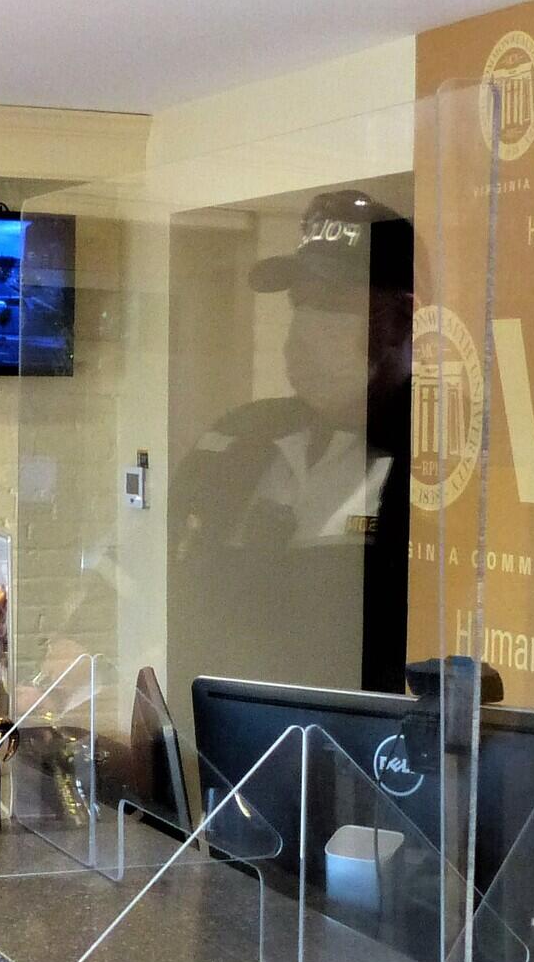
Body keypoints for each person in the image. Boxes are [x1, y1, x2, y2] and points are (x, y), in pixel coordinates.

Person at [167, 189, 414, 697]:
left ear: (401, 322)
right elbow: (154, 572)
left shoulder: (431, 466)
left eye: (333, 304)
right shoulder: (240, 438)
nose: (304, 327)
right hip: (215, 743)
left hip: (351, 757)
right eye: (301, 301)